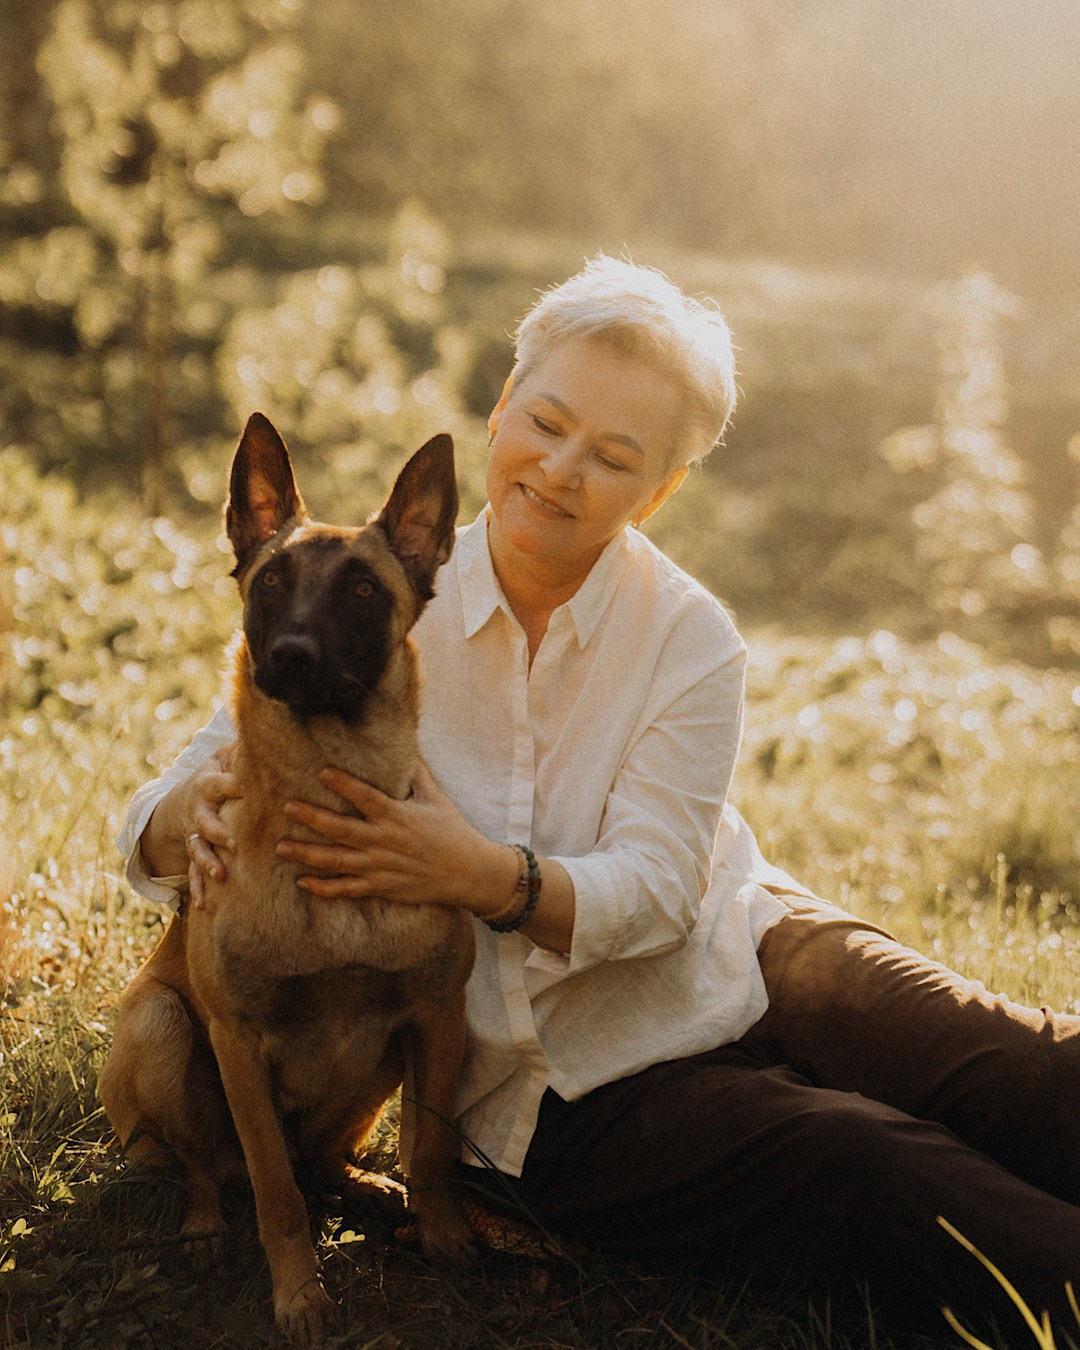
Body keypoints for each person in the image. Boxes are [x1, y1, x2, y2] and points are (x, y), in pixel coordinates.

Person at [117, 256, 1080, 1338]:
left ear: (659, 489)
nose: (563, 471)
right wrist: (184, 815)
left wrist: (479, 875)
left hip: (745, 936)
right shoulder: (366, 597)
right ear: (500, 414)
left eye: (615, 456)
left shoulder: (687, 633)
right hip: (561, 1086)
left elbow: (668, 888)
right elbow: (161, 808)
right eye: (548, 423)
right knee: (877, 1159)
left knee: (1013, 1062)